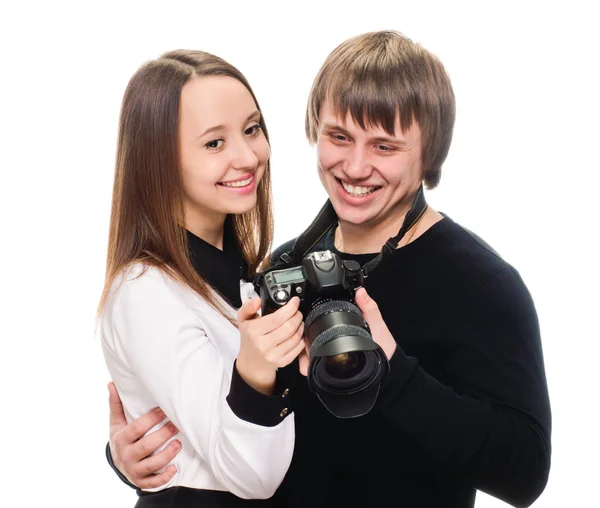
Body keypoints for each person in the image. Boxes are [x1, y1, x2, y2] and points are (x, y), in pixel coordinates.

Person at [105, 31, 552, 507]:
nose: (355, 166)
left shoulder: (481, 285)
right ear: (314, 130)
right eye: (339, 137)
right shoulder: (285, 268)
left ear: (430, 153)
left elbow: (524, 474)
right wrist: (134, 454)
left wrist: (395, 375)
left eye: (384, 146)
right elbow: (231, 423)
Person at [98, 49, 307, 507]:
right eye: (214, 143)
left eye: (252, 129)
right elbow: (254, 478)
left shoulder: (250, 274)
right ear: (159, 161)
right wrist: (255, 371)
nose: (248, 156)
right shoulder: (145, 291)